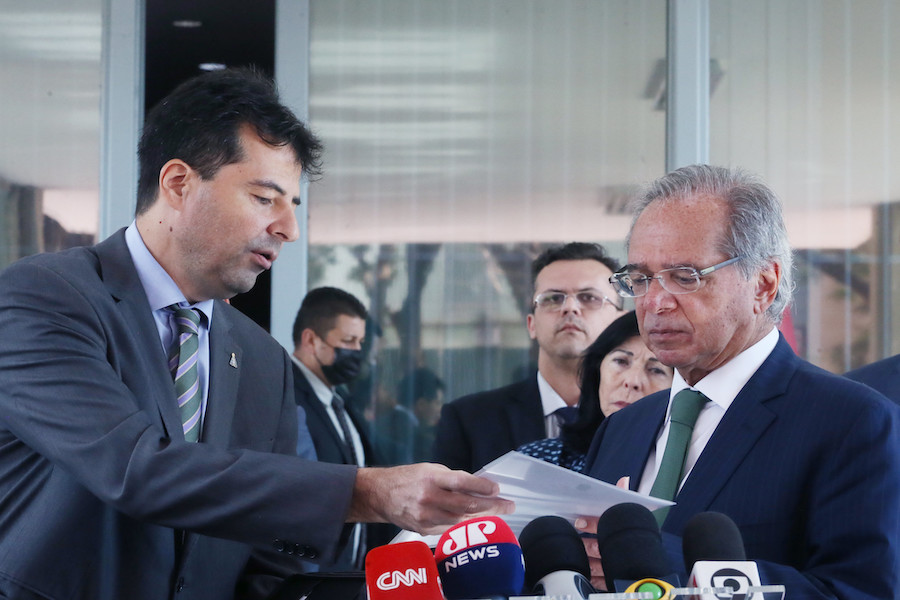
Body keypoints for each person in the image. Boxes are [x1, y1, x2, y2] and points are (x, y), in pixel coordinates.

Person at [0, 68, 511, 600]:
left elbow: (267, 554)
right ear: (178, 184)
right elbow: (135, 468)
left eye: (293, 206)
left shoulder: (263, 359)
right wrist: (368, 491)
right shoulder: (43, 297)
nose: (288, 229)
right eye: (265, 199)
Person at [577, 165, 900, 599]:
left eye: (685, 276)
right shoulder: (623, 427)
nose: (655, 301)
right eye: (640, 278)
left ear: (764, 285)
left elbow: (861, 591)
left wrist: (656, 559)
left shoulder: (854, 421)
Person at [433, 242, 623, 472]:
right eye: (553, 298)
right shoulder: (469, 420)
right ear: (531, 325)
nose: (570, 307)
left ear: (618, 322)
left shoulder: (638, 416)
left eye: (589, 298)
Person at [290, 286, 392, 570]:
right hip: (307, 578)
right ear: (311, 339)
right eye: (348, 341)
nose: (357, 352)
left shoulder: (341, 402)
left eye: (360, 342)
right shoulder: (284, 396)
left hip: (351, 577)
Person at [517, 310, 672, 472]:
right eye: (621, 361)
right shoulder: (541, 460)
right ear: (597, 370)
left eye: (655, 370)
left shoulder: (679, 470)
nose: (632, 381)